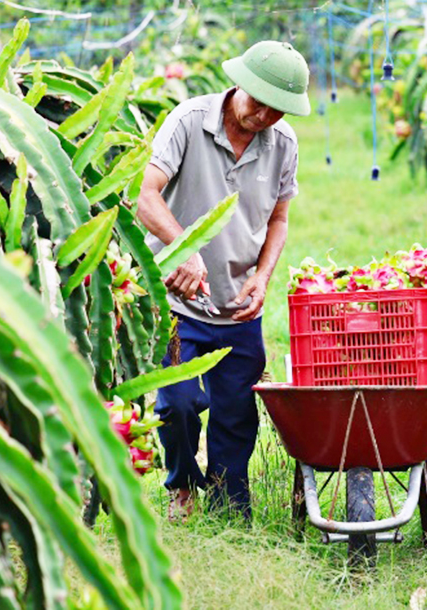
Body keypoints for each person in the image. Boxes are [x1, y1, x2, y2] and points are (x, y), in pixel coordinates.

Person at [138, 40, 310, 522]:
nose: (265, 116)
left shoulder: (285, 144)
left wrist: (263, 276)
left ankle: (229, 507)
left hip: (238, 303)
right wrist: (184, 247)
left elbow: (279, 218)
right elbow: (146, 198)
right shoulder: (189, 121)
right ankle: (182, 485)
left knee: (236, 413)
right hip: (176, 299)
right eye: (259, 102)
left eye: (279, 110)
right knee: (178, 404)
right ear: (239, 84)